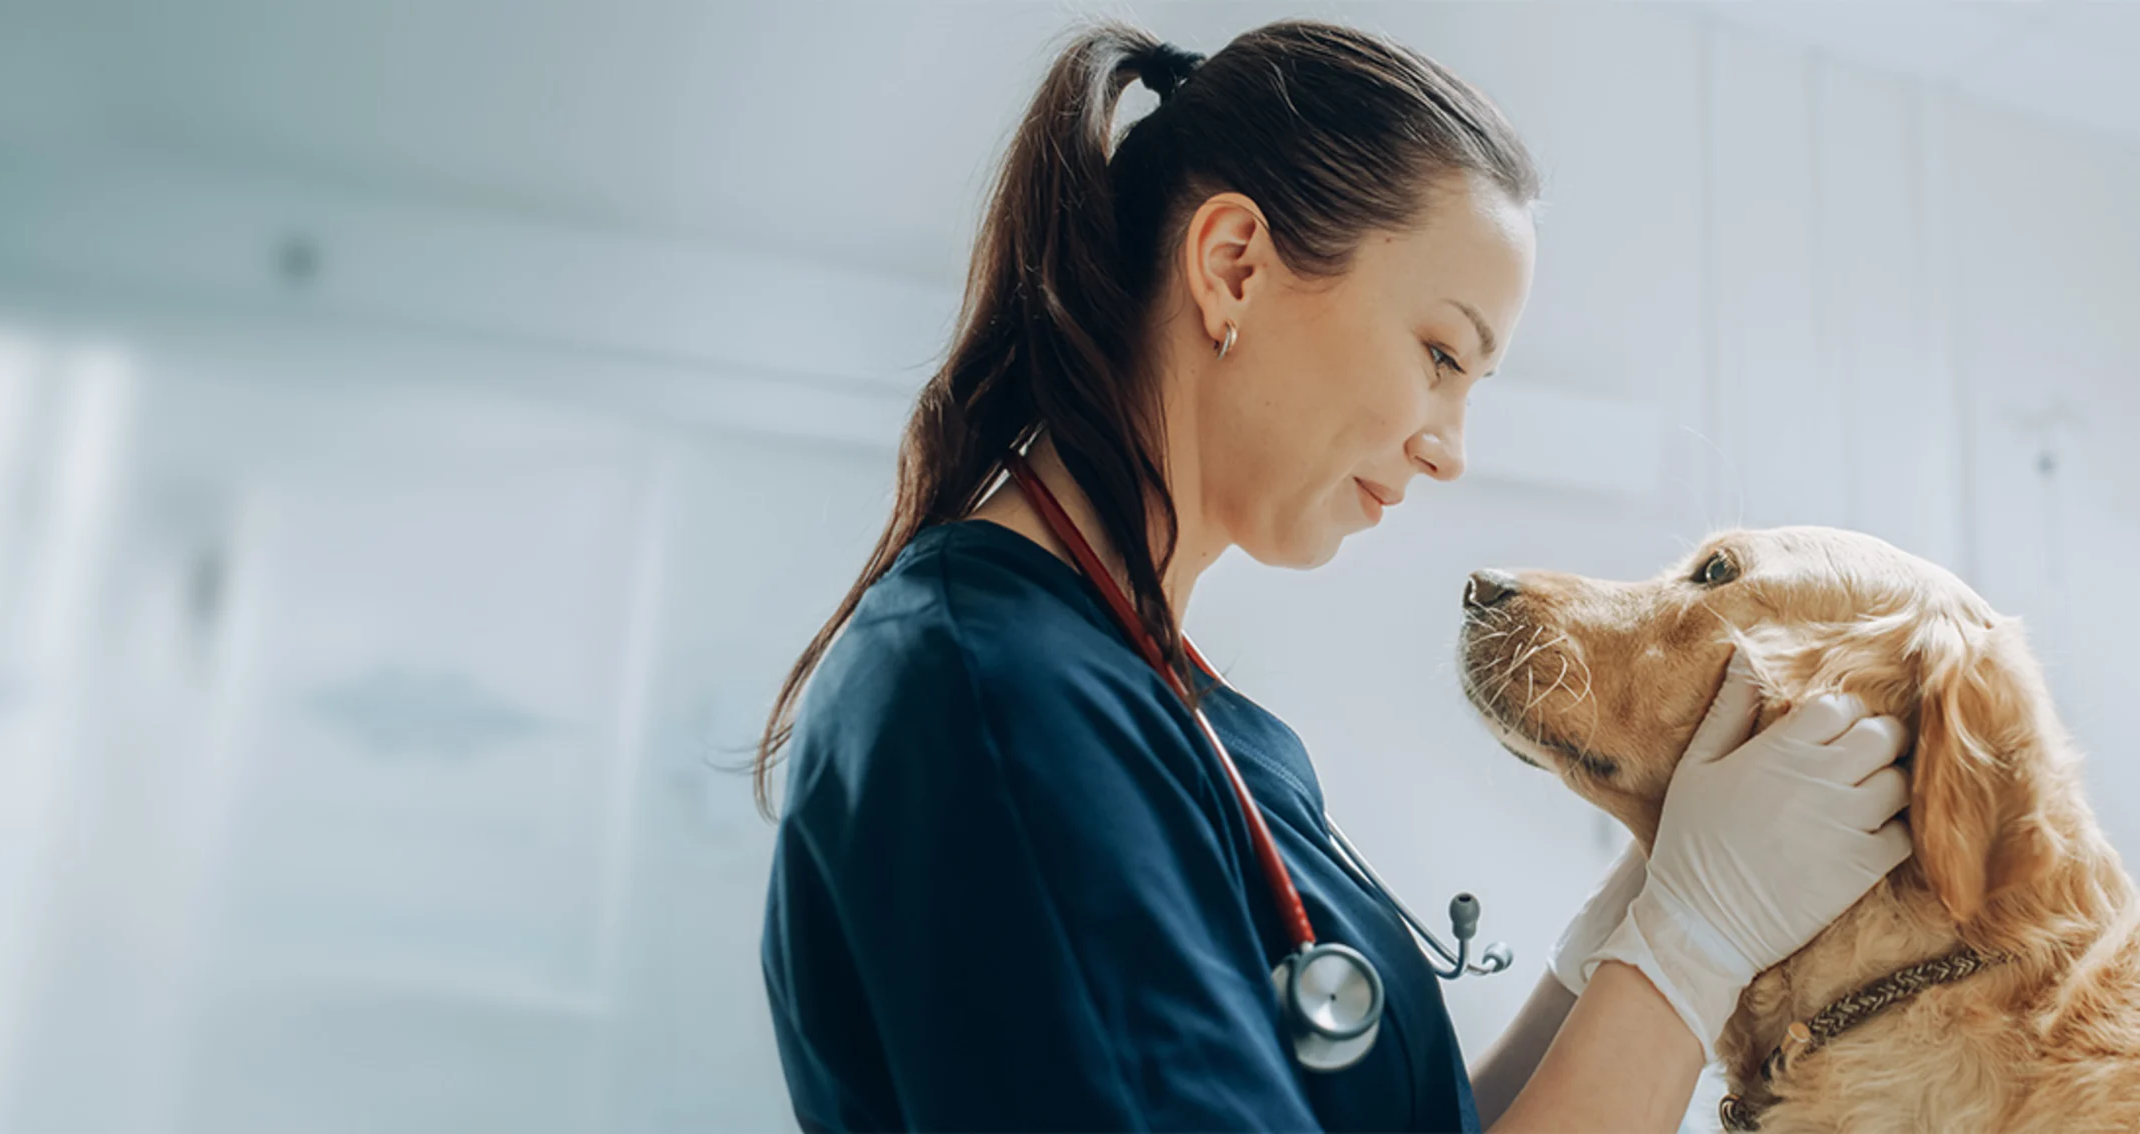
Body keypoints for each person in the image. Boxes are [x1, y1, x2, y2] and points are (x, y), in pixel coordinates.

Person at [753, 18, 1911, 1132]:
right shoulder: (996, 704)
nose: (1449, 448)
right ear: (1235, 268)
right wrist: (1692, 946)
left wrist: (1624, 937)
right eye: (1441, 354)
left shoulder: (1191, 717)